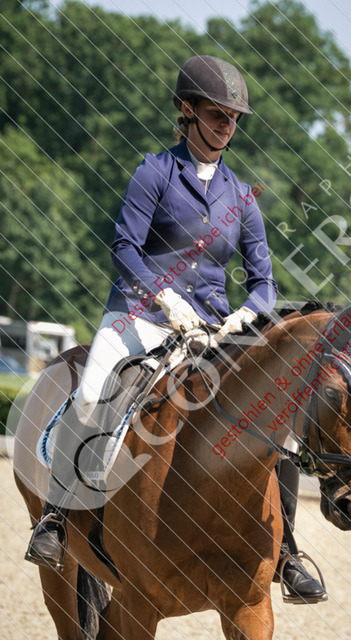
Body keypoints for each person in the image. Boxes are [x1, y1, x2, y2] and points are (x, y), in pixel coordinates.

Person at [25, 55, 325, 602]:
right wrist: (163, 298)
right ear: (186, 111)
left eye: (233, 119)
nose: (226, 127)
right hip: (140, 316)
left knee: (273, 426)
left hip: (212, 329)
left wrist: (247, 314)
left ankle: (286, 553)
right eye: (216, 115)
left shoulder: (242, 196)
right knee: (91, 394)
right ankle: (55, 517)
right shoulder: (155, 172)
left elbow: (264, 281)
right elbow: (124, 248)